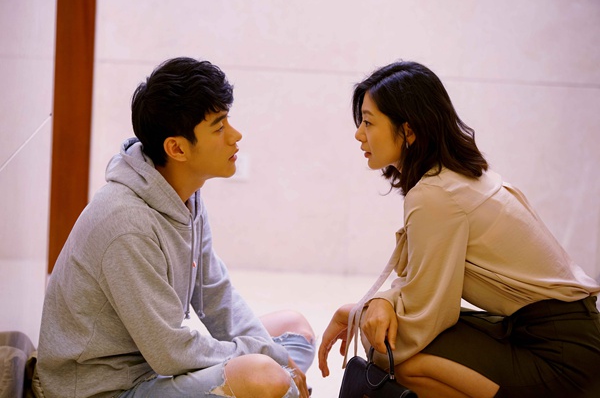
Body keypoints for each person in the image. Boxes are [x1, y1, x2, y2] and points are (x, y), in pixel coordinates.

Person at [318, 61, 600, 397]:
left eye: (368, 121)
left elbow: (423, 317)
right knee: (388, 337)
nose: (358, 133)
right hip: (565, 336)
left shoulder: (436, 195)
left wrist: (360, 314)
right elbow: (421, 283)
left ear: (408, 131)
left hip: (562, 357)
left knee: (392, 352)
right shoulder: (454, 179)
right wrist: (380, 302)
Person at [37, 57, 315, 398]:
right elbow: (171, 352)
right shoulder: (126, 224)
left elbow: (216, 295)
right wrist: (268, 361)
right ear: (177, 148)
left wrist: (272, 354)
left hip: (154, 369)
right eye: (219, 127)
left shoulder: (186, 195)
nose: (235, 135)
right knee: (264, 375)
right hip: (105, 389)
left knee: (295, 330)